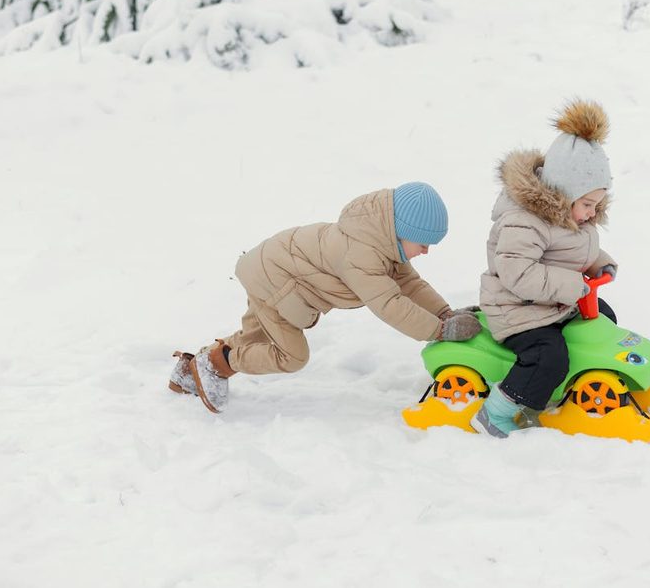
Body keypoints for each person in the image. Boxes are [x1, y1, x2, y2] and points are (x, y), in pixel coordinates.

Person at [169, 182, 482, 414]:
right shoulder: (361, 254)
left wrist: (444, 313)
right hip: (275, 282)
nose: (426, 251)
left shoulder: (381, 243)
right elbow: (389, 304)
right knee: (291, 355)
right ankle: (213, 364)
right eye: (423, 243)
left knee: (256, 337)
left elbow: (410, 285)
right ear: (400, 230)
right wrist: (439, 331)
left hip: (272, 267)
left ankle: (189, 373)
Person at [471, 99, 620, 438]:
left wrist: (600, 263)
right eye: (587, 204)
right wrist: (572, 286)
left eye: (597, 206)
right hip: (518, 311)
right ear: (564, 192)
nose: (591, 214)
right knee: (547, 356)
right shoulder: (524, 222)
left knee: (604, 318)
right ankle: (497, 413)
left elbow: (573, 250)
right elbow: (517, 273)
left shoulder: (569, 216)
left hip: (550, 304)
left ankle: (569, 385)